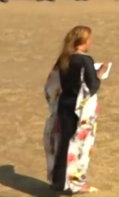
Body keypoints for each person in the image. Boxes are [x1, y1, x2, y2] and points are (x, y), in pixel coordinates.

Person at [44, 26, 110, 196]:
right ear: (84, 41)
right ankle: (75, 183)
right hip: (78, 109)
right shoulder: (85, 61)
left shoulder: (64, 58)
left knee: (63, 143)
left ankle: (59, 182)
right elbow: (92, 86)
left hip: (64, 104)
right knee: (78, 146)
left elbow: (52, 81)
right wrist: (100, 73)